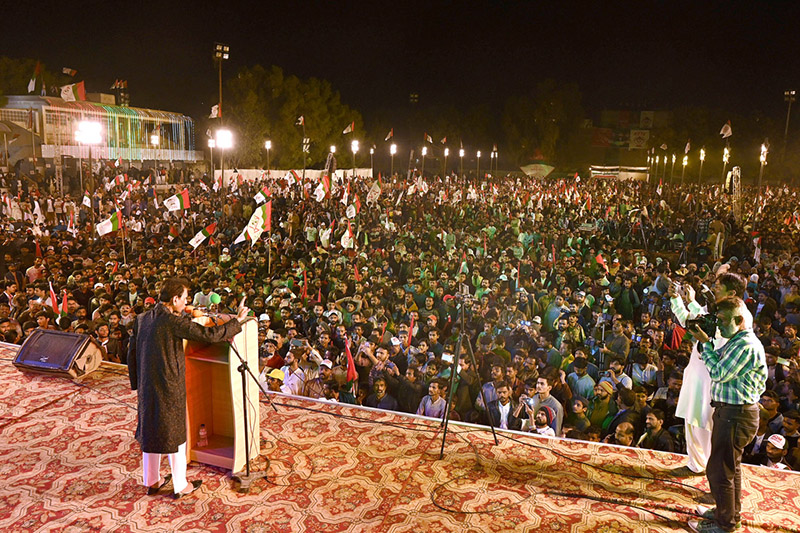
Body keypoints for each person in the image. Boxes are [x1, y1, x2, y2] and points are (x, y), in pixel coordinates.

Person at [128, 277, 249, 498]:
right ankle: (180, 485)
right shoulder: (175, 323)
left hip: (147, 384)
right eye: (184, 299)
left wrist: (136, 383)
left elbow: (132, 352)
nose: (186, 303)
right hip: (169, 384)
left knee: (151, 431)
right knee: (176, 435)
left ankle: (152, 480)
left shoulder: (143, 318)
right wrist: (237, 322)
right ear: (175, 299)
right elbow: (208, 336)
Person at [688, 297, 767, 533]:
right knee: (731, 467)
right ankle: (728, 512)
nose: (719, 326)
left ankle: (725, 525)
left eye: (722, 320)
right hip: (731, 413)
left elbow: (719, 372)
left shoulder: (746, 346)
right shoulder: (737, 340)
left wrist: (707, 345)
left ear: (739, 320)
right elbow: (719, 361)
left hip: (736, 415)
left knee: (719, 470)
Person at [669, 271, 750, 478]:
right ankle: (695, 464)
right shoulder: (715, 308)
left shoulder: (739, 315)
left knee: (707, 423)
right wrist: (677, 300)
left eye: (717, 287)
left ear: (731, 292)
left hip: (712, 376)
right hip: (696, 371)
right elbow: (691, 320)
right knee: (691, 418)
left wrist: (694, 302)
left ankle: (713, 474)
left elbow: (715, 333)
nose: (713, 288)